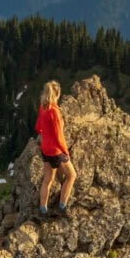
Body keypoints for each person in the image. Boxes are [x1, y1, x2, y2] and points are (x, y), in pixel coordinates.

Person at [35, 80, 77, 218]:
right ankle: (62, 206)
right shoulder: (54, 112)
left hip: (45, 150)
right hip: (56, 151)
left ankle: (43, 209)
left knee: (48, 180)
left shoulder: (43, 108)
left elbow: (38, 128)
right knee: (71, 176)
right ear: (57, 94)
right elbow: (59, 137)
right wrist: (66, 152)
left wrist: (45, 136)